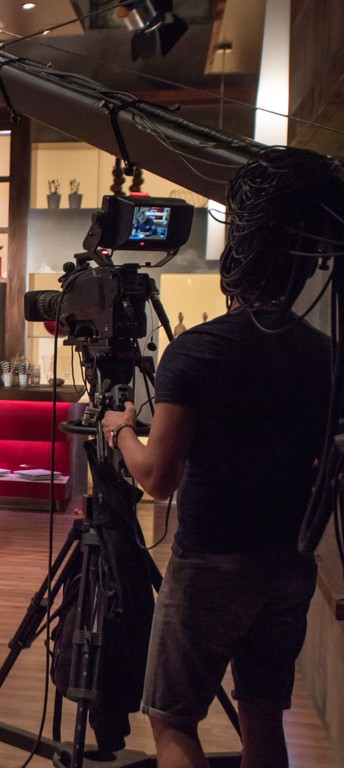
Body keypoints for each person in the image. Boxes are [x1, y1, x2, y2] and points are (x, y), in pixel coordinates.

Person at [101, 146, 339, 768]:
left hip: (213, 564)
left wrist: (121, 431)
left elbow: (157, 479)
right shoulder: (325, 355)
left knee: (173, 719)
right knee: (263, 713)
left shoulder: (197, 353)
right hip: (290, 564)